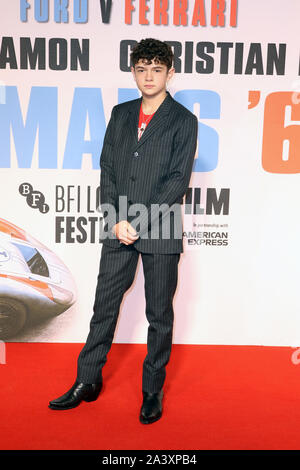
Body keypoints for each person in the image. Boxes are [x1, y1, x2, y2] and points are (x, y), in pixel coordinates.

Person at [49, 38, 198, 424]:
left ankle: (152, 391)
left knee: (159, 314)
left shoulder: (184, 120)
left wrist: (138, 221)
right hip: (118, 224)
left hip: (159, 228)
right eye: (142, 68)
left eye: (157, 69)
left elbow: (177, 180)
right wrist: (116, 217)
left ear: (170, 73)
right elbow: (109, 169)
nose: (149, 76)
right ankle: (87, 380)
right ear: (133, 72)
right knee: (104, 307)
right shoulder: (120, 113)